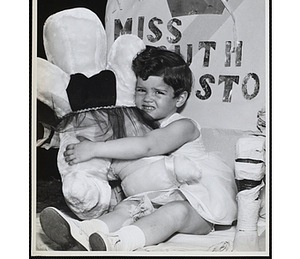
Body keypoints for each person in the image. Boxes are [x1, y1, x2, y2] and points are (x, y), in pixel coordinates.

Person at [40, 46, 237, 252]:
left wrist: (94, 149)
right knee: (127, 208)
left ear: (179, 99)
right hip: (156, 197)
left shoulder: (184, 126)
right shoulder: (140, 125)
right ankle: (85, 230)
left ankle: (118, 242)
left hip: (198, 205)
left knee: (176, 211)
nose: (147, 98)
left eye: (159, 92)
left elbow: (147, 146)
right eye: (141, 90)